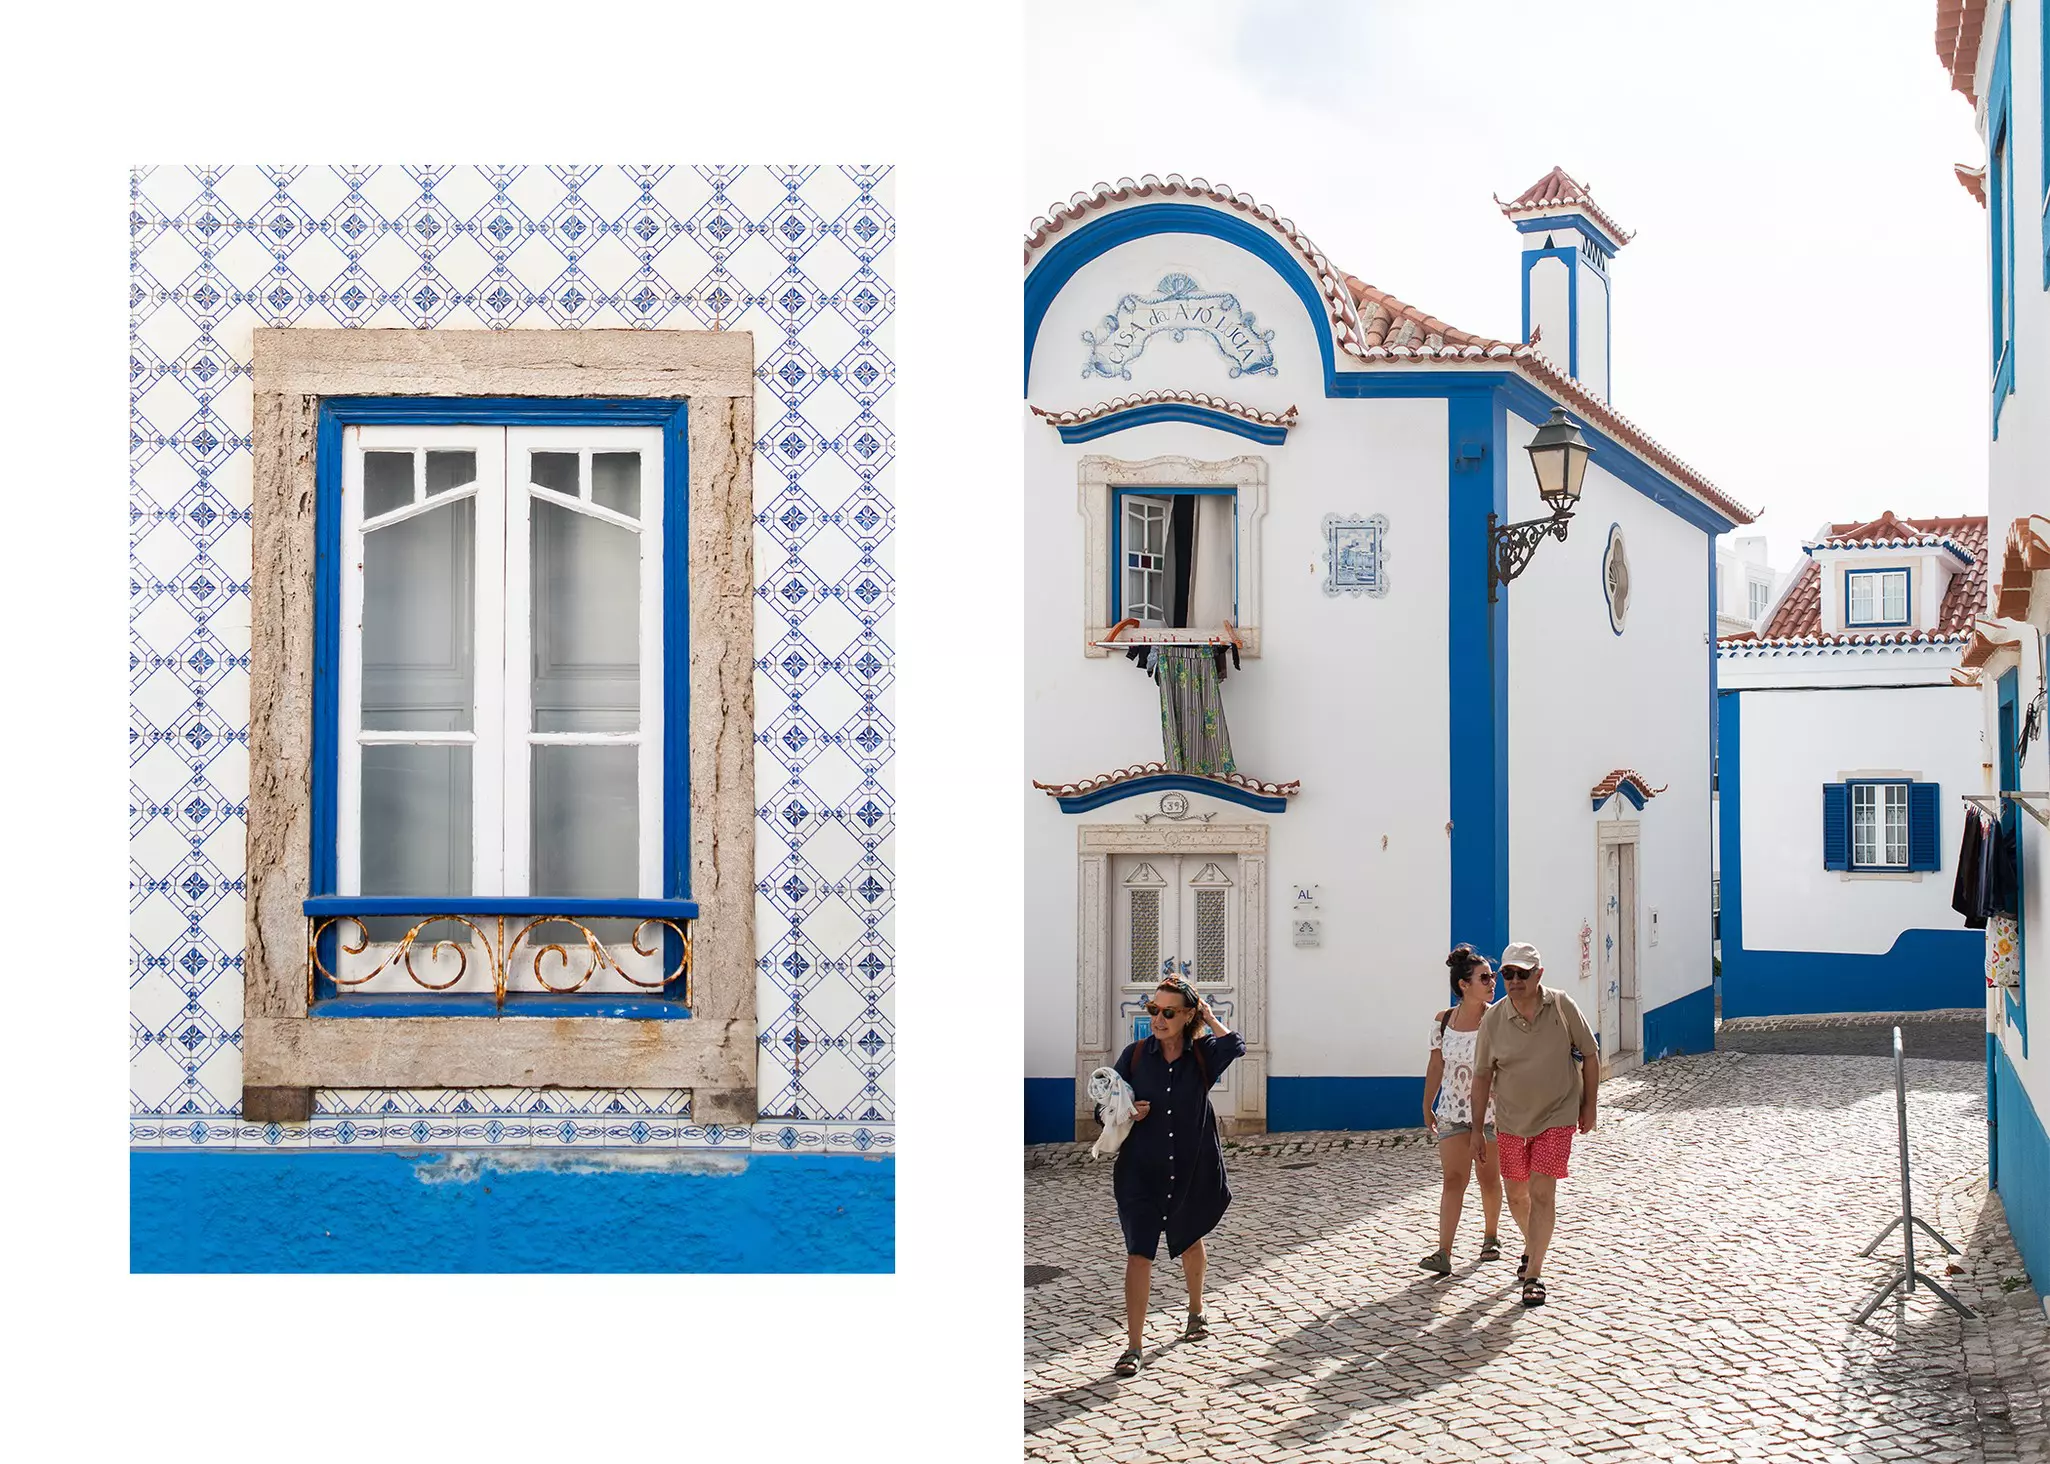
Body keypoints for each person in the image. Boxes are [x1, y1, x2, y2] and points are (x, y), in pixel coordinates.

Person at [1101, 976, 1245, 1377]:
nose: (1158, 1020)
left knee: (1189, 1237)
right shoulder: (1133, 1056)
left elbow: (1236, 1044)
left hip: (1187, 1169)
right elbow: (1104, 1107)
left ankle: (1196, 1311)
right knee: (1138, 1252)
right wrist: (1127, 1113)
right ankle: (1133, 1347)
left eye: (1168, 1012)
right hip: (1139, 1171)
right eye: (1153, 1010)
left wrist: (1211, 1018)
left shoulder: (1202, 1056)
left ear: (1187, 1016)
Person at [1469, 941, 1599, 1309]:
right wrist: (1478, 1128)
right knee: (1517, 1194)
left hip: (1557, 1114)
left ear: (1538, 974)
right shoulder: (1493, 1019)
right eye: (1506, 974)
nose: (1513, 981)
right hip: (1510, 1119)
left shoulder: (1561, 1005)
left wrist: (1590, 1105)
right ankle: (1532, 1245)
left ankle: (1534, 1274)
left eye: (1521, 974)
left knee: (1543, 1192)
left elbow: (1590, 1054)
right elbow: (1481, 1077)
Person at [1418, 943, 1504, 1275]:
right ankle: (1443, 1251)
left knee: (1488, 1179)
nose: (1492, 983)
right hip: (1452, 1112)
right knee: (1453, 1180)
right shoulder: (1443, 1022)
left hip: (1490, 1114)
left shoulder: (1496, 1019)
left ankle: (1491, 1235)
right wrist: (1428, 1104)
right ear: (1463, 985)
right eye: (1485, 978)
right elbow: (1435, 1066)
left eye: (1492, 976)